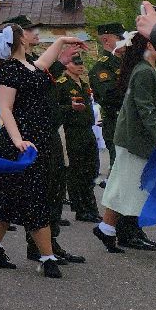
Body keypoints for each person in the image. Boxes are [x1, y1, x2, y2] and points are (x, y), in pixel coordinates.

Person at [0, 24, 86, 277]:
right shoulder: (8, 70)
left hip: (37, 139)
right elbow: (5, 109)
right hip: (23, 143)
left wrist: (63, 42)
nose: (33, 33)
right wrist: (18, 141)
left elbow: (45, 62)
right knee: (35, 194)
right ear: (19, 39)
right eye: (28, 31)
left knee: (11, 192)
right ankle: (47, 257)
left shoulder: (29, 65)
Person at [92, 29, 156, 254]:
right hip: (137, 141)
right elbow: (146, 108)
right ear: (151, 47)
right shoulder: (144, 72)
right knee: (155, 187)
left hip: (132, 140)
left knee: (123, 186)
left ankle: (106, 228)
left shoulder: (145, 70)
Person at [55, 50, 101, 222]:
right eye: (76, 63)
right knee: (76, 171)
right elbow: (56, 108)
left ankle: (91, 207)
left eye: (82, 63)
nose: (81, 66)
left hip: (87, 130)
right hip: (71, 131)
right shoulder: (62, 84)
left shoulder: (82, 83)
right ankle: (81, 209)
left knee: (90, 169)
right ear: (67, 65)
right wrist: (70, 108)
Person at [90, 23, 126, 165]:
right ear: (106, 40)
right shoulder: (102, 67)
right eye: (120, 37)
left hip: (130, 122)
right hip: (116, 123)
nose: (125, 40)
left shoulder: (126, 62)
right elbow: (110, 96)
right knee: (119, 167)